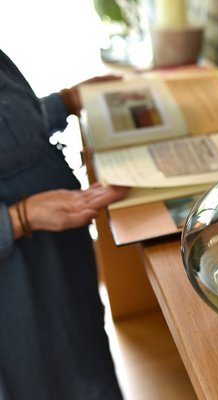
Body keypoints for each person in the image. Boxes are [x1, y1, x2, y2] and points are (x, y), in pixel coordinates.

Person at [0, 49, 129, 399]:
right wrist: (17, 218)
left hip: (58, 250)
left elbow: (12, 128)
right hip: (15, 280)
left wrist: (67, 101)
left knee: (88, 355)